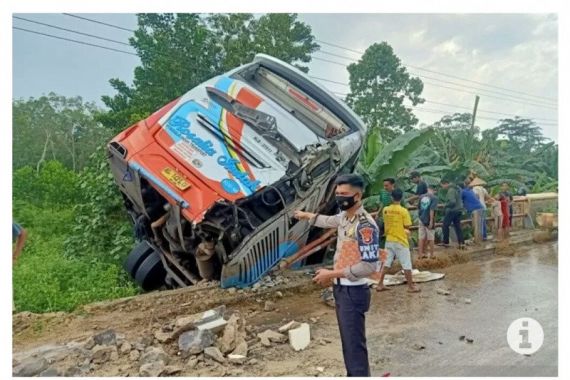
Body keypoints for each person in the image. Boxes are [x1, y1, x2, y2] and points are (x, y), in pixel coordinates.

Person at [294, 173, 380, 377]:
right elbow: (328, 220)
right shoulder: (345, 217)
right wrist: (306, 216)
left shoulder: (365, 226)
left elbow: (369, 266)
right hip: (342, 289)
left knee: (353, 346)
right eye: (337, 193)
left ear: (357, 196)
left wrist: (332, 273)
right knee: (348, 343)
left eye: (344, 194)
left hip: (354, 291)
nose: (339, 198)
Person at [376, 189, 420, 293]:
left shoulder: (385, 209)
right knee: (406, 264)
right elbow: (408, 225)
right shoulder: (403, 211)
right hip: (401, 240)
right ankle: (411, 286)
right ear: (401, 198)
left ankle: (380, 284)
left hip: (389, 239)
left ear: (392, 198)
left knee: (386, 263)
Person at [439, 179, 465, 248]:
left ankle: (446, 242)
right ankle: (461, 242)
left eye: (442, 186)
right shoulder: (456, 188)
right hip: (459, 210)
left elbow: (452, 202)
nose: (442, 188)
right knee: (458, 226)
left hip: (452, 210)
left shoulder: (451, 190)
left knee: (445, 225)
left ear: (445, 183)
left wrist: (445, 205)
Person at [417, 185, 438, 259]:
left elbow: (419, 208)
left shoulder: (421, 196)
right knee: (431, 238)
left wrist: (420, 216)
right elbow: (432, 210)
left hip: (421, 219)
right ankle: (432, 255)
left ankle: (420, 254)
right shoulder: (434, 198)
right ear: (434, 190)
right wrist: (431, 221)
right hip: (428, 219)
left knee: (421, 237)